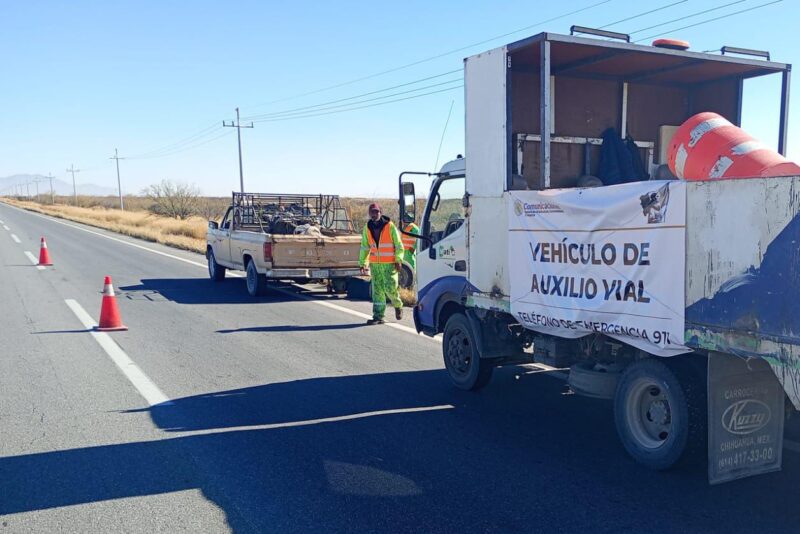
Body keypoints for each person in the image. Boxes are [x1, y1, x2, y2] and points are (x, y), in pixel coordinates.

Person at [359, 203, 404, 325]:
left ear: (381, 212)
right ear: (369, 213)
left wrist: (398, 260)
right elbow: (364, 247)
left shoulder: (390, 226)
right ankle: (378, 316)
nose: (374, 214)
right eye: (372, 212)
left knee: (390, 287)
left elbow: (399, 245)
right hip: (375, 264)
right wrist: (363, 263)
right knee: (377, 290)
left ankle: (398, 305)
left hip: (389, 264)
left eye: (376, 212)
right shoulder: (367, 228)